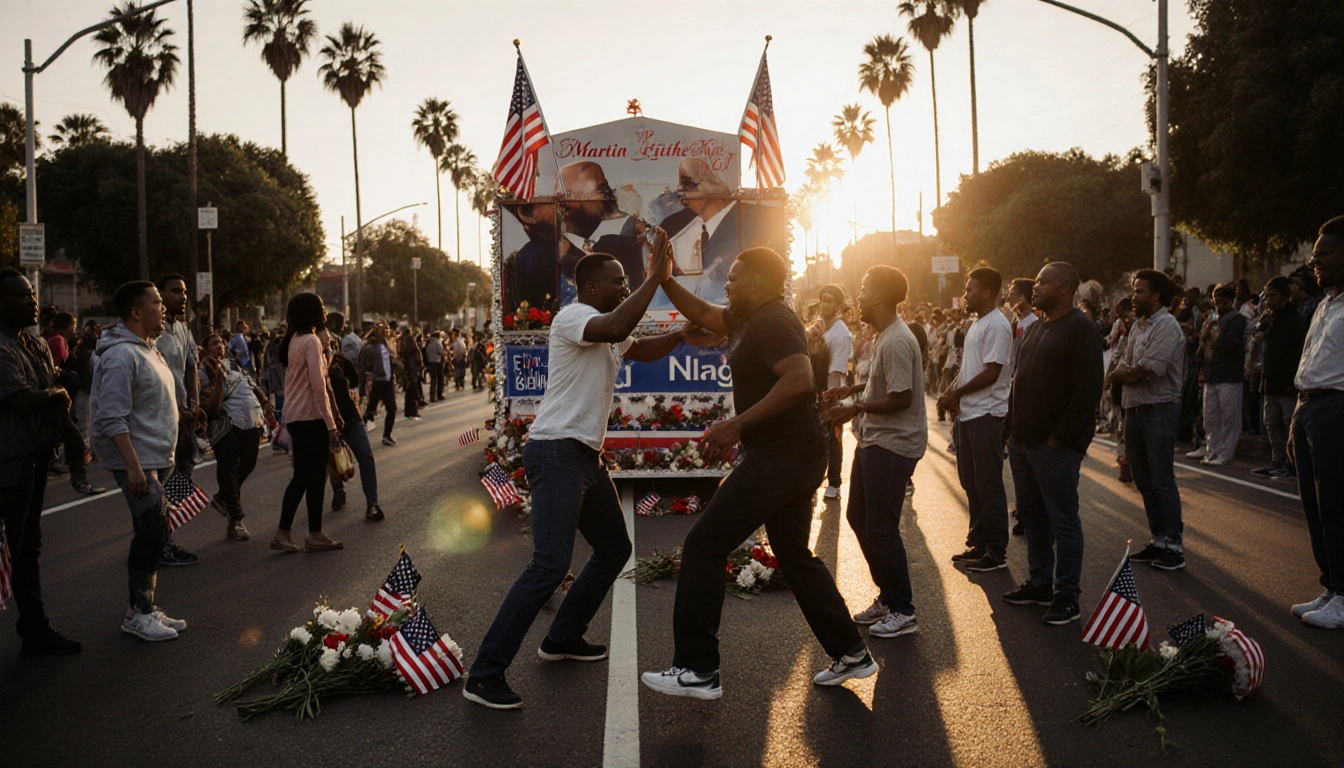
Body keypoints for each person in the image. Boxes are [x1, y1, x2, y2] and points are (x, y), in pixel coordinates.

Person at [640, 246, 874, 701]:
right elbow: (706, 312)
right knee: (793, 555)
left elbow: (799, 379)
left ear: (756, 283)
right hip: (793, 454)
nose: (725, 284)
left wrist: (737, 424)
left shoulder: (773, 320)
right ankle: (852, 652)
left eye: (733, 276)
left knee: (704, 544)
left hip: (783, 455)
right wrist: (664, 278)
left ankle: (697, 667)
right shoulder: (750, 318)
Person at [465, 231, 681, 710]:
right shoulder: (575, 318)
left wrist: (684, 333)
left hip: (583, 456)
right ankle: (484, 673)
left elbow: (640, 349)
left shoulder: (607, 325)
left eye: (627, 282)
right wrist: (654, 280)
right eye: (618, 282)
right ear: (590, 288)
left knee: (614, 547)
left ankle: (563, 637)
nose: (624, 288)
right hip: (556, 451)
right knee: (549, 565)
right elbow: (616, 327)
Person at [820, 266, 927, 639]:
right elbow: (887, 381)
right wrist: (854, 391)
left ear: (879, 297)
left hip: (892, 444)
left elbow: (901, 397)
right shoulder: (887, 336)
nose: (858, 297)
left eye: (863, 290)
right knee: (858, 518)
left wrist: (857, 408)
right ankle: (888, 596)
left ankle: (903, 609)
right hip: (874, 441)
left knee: (881, 527)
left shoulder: (897, 338)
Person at [1001, 263, 1104, 625]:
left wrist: (1058, 437)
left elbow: (1088, 389)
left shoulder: (1080, 328)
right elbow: (1020, 379)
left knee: (1063, 520)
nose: (1036, 287)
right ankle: (1040, 583)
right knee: (1032, 518)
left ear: (1064, 288)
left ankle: (1067, 596)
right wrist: (1010, 430)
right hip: (1023, 442)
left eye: (1043, 282)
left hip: (1053, 446)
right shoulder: (1037, 327)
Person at [90, 281, 187, 642]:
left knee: (155, 531)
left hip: (156, 457)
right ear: (136, 311)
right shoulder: (120, 355)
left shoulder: (150, 349)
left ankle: (144, 606)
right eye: (157, 302)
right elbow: (111, 416)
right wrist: (133, 466)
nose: (163, 308)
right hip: (138, 460)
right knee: (150, 532)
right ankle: (139, 613)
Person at [0, 268, 81, 655]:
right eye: (21, 296)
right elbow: (22, 398)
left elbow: (52, 390)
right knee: (12, 548)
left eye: (32, 294)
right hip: (7, 465)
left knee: (28, 548)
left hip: (33, 460)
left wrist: (68, 429)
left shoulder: (32, 345)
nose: (32, 301)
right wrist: (57, 395)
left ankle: (34, 628)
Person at [1108, 269, 1188, 571]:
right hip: (1135, 409)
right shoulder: (1139, 326)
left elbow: (1143, 369)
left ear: (1156, 296)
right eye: (1133, 289)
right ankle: (1158, 540)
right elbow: (1124, 361)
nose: (1133, 296)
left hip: (1158, 409)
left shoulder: (1167, 325)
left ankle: (1174, 546)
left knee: (1161, 478)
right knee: (1142, 478)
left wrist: (1117, 376)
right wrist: (1121, 372)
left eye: (1139, 291)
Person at [939, 268, 1014, 573]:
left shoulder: (997, 325)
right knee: (970, 481)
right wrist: (949, 392)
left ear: (986, 293)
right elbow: (968, 369)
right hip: (968, 414)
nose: (965, 294)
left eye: (970, 290)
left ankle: (996, 550)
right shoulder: (976, 323)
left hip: (987, 414)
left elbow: (991, 372)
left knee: (988, 483)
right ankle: (979, 542)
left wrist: (957, 395)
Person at [1289, 215, 1344, 629]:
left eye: (1323, 254)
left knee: (1337, 505)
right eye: (1313, 256)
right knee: (1316, 507)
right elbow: (1310, 363)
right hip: (1308, 407)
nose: (1314, 263)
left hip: (1337, 409)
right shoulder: (1325, 304)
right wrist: (1297, 417)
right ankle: (1331, 586)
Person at [272, 294, 343, 553]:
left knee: (310, 477)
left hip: (296, 416)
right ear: (310, 312)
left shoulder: (295, 339)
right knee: (306, 476)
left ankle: (310, 533)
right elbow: (318, 385)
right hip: (310, 417)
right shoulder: (311, 341)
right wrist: (331, 424)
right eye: (321, 306)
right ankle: (295, 534)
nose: (325, 310)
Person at [199, 332, 273, 541]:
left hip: (249, 420)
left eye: (221, 343)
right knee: (229, 466)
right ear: (205, 348)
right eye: (214, 343)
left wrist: (264, 400)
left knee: (248, 462)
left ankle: (224, 497)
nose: (220, 346)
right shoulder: (204, 372)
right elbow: (208, 405)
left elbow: (249, 382)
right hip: (225, 425)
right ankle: (237, 519)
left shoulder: (232, 363)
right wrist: (218, 381)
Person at [154, 274, 203, 566]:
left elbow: (191, 368)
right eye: (175, 292)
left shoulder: (183, 329)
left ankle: (161, 537)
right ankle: (157, 543)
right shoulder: (154, 329)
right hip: (160, 416)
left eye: (184, 292)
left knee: (184, 473)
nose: (182, 297)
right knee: (159, 481)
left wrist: (194, 406)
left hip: (184, 418)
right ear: (160, 296)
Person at [324, 329, 384, 522]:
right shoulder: (313, 368)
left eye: (331, 344)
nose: (328, 348)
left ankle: (372, 503)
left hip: (350, 419)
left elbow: (354, 389)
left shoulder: (342, 364)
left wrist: (358, 408)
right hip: (328, 424)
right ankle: (339, 490)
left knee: (366, 457)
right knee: (334, 463)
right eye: (325, 344)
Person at [1253, 277, 1308, 480]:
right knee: (1272, 423)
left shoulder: (1294, 319)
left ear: (1285, 296)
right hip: (1271, 381)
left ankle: (1291, 464)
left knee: (1288, 424)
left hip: (1288, 383)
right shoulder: (1269, 320)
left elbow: (1300, 351)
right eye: (1267, 296)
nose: (1269, 300)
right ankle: (1277, 460)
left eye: (1273, 296)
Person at [1194, 284, 1247, 466]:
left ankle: (1226, 453)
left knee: (1229, 417)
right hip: (1212, 374)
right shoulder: (1213, 320)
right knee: (1211, 417)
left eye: (1222, 301)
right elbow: (1203, 342)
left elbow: (1226, 344)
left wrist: (1213, 334)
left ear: (1230, 301)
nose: (1218, 305)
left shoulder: (1237, 320)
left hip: (1229, 376)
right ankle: (1213, 451)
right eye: (1215, 301)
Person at [816, 285, 854, 499]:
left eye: (829, 300)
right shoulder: (822, 329)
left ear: (838, 306)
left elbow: (838, 370)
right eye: (822, 299)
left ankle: (835, 483)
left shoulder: (841, 334)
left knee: (833, 438)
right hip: (817, 392)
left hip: (831, 394)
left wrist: (828, 399)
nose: (824, 304)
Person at [358, 325, 398, 446]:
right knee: (371, 410)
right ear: (376, 333)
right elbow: (363, 363)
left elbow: (392, 360)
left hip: (388, 381)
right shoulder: (369, 347)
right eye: (381, 331)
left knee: (392, 409)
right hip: (376, 381)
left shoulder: (387, 345)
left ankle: (387, 435)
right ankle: (359, 431)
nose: (384, 333)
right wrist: (365, 380)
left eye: (385, 331)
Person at [400, 328, 424, 420]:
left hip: (409, 370)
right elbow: (417, 358)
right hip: (412, 370)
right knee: (413, 391)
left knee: (409, 392)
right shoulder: (411, 345)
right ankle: (413, 412)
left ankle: (409, 412)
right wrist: (419, 365)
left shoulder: (404, 344)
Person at [425, 331, 445, 402]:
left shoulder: (429, 344)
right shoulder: (438, 343)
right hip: (438, 362)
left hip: (431, 362)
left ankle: (432, 396)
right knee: (440, 379)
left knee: (433, 380)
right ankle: (439, 394)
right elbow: (440, 351)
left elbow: (427, 352)